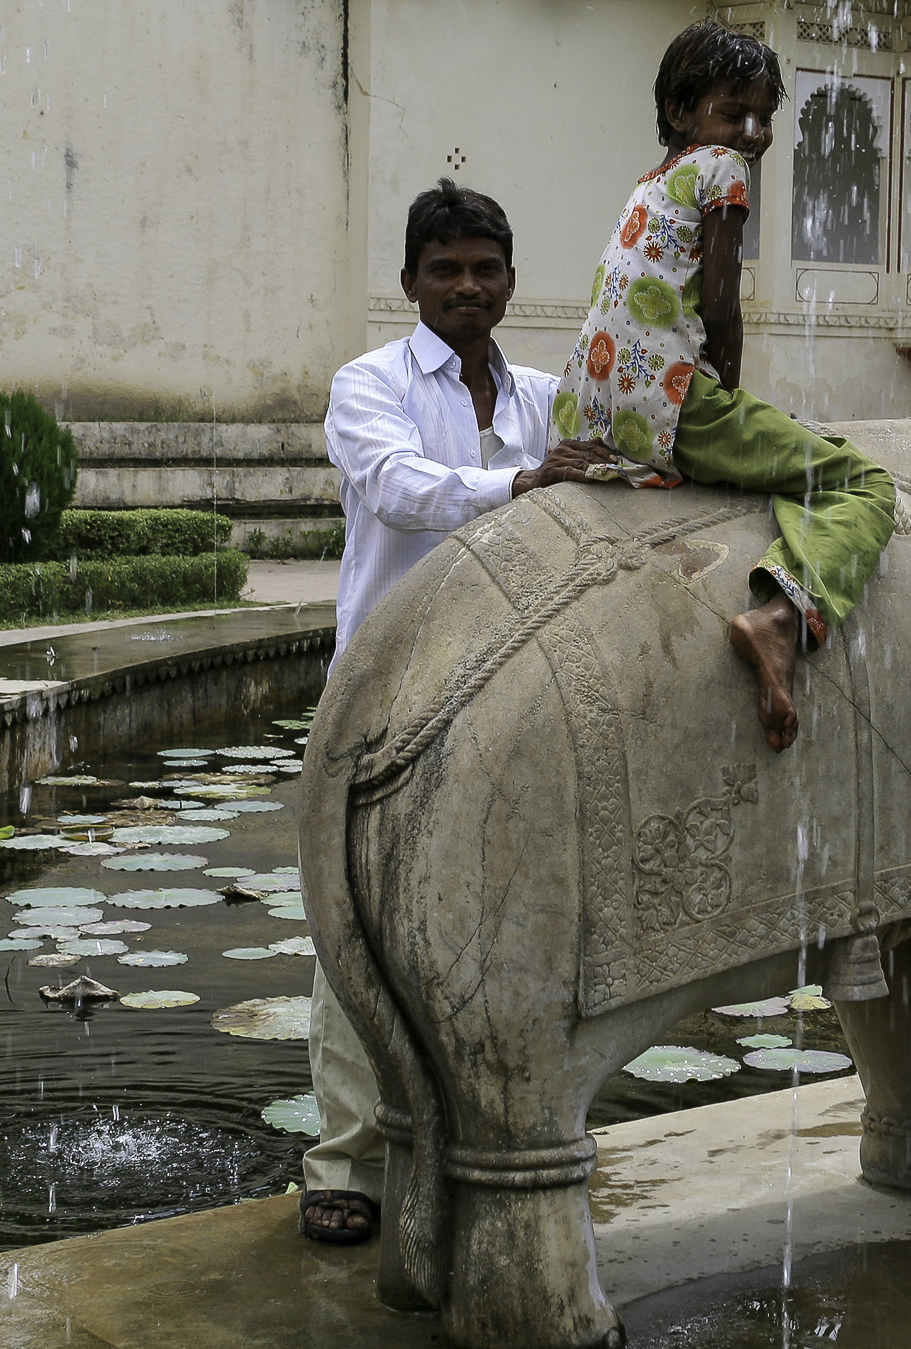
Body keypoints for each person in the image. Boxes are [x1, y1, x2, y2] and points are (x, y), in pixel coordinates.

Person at [301, 179, 607, 1244]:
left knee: (512, 919)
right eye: (446, 271)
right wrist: (523, 487)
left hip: (515, 691)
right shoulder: (367, 383)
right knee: (353, 932)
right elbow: (396, 487)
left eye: (484, 269)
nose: (466, 288)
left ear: (511, 281)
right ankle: (345, 1163)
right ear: (410, 285)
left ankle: (496, 1144)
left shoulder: (542, 396)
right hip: (386, 693)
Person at [553, 20, 896, 753]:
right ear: (681, 113)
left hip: (600, 412)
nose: (752, 132)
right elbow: (720, 304)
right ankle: (780, 616)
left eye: (764, 117)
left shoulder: (647, 185)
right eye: (733, 111)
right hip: (679, 408)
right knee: (860, 480)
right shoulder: (721, 171)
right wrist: (729, 392)